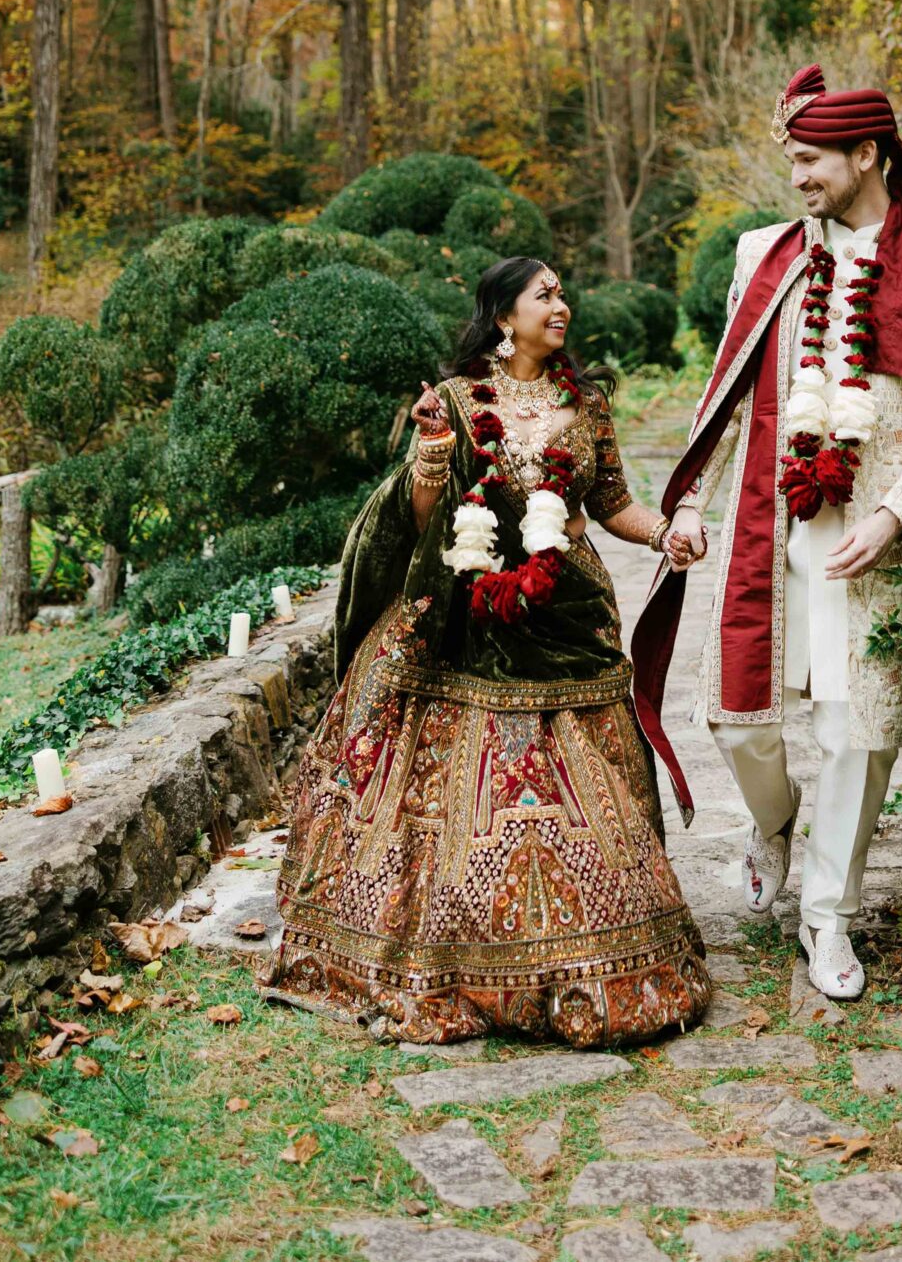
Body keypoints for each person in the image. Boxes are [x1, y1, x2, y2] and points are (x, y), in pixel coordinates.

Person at [266, 254, 714, 1047]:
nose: (562, 305)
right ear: (504, 316)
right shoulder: (456, 403)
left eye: (564, 293)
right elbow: (419, 511)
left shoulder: (588, 402)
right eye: (545, 295)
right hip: (466, 614)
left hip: (568, 616)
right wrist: (434, 453)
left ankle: (591, 952)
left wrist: (670, 533)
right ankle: (453, 953)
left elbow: (611, 502)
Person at [635, 63, 902, 1003]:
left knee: (855, 734)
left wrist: (893, 513)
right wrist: (688, 506)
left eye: (810, 159)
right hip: (773, 526)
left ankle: (827, 917)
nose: (796, 177)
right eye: (790, 159)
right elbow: (726, 389)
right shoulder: (765, 257)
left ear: (866, 154)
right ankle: (772, 821)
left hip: (873, 547)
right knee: (736, 721)